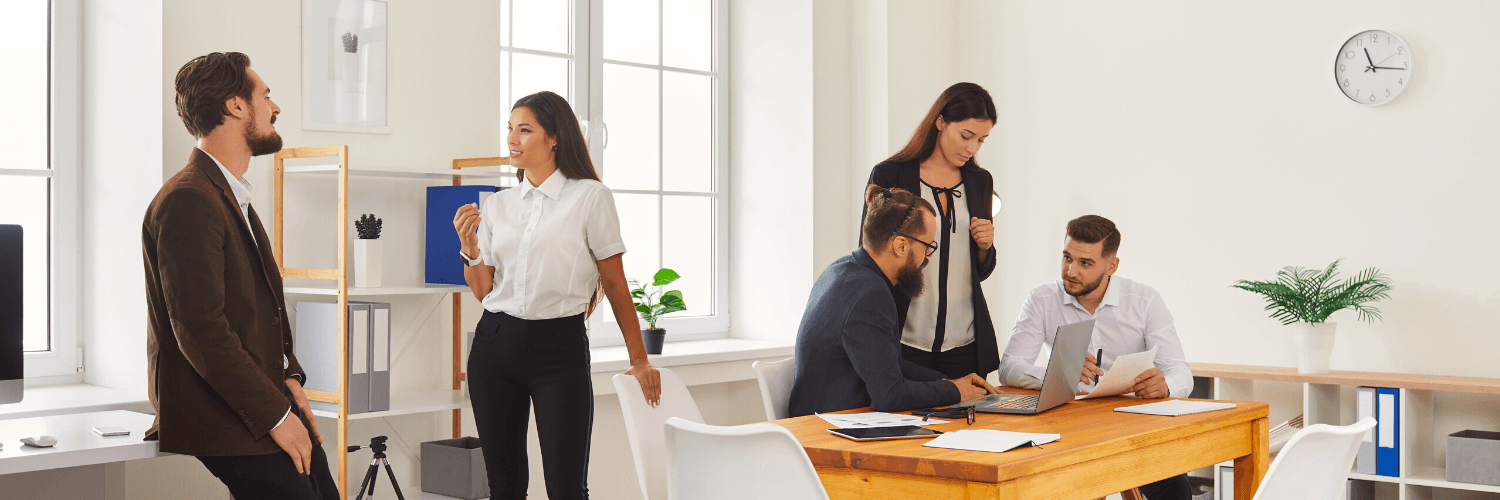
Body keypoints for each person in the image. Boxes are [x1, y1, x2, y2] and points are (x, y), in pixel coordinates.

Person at [143, 52, 337, 499]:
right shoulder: (188, 199)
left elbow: (257, 308)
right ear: (235, 106)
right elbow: (201, 328)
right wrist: (275, 416)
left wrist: (289, 378)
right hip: (231, 414)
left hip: (263, 400)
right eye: (265, 96)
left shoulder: (225, 191)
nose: (275, 107)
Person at [452, 91, 661, 500]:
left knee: (567, 489)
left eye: (524, 129)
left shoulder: (590, 198)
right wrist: (470, 251)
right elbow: (484, 292)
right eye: (510, 129)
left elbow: (616, 284)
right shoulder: (497, 205)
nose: (513, 138)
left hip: (559, 351)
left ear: (554, 139)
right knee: (504, 488)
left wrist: (639, 360)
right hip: (494, 347)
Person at [998, 215, 1194, 500]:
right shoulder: (1041, 299)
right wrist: (1059, 372)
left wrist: (1166, 386)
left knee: (1173, 485)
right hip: (1068, 424)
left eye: (1085, 263)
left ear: (1111, 265)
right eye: (1067, 258)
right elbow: (1009, 367)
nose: (1071, 271)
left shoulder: (1144, 300)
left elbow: (1179, 371)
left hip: (1132, 423)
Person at [788, 185, 998, 417]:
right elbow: (889, 395)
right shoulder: (870, 294)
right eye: (928, 247)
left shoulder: (840, 271)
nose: (927, 258)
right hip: (828, 432)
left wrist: (948, 381)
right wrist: (954, 391)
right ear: (900, 246)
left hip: (821, 422)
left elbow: (888, 362)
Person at [862, 82, 1000, 380]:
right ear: (940, 121)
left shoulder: (980, 182)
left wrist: (984, 247)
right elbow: (870, 255)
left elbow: (979, 270)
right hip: (904, 339)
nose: (972, 148)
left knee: (970, 427)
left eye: (981, 140)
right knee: (906, 426)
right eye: (966, 136)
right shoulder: (890, 175)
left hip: (966, 343)